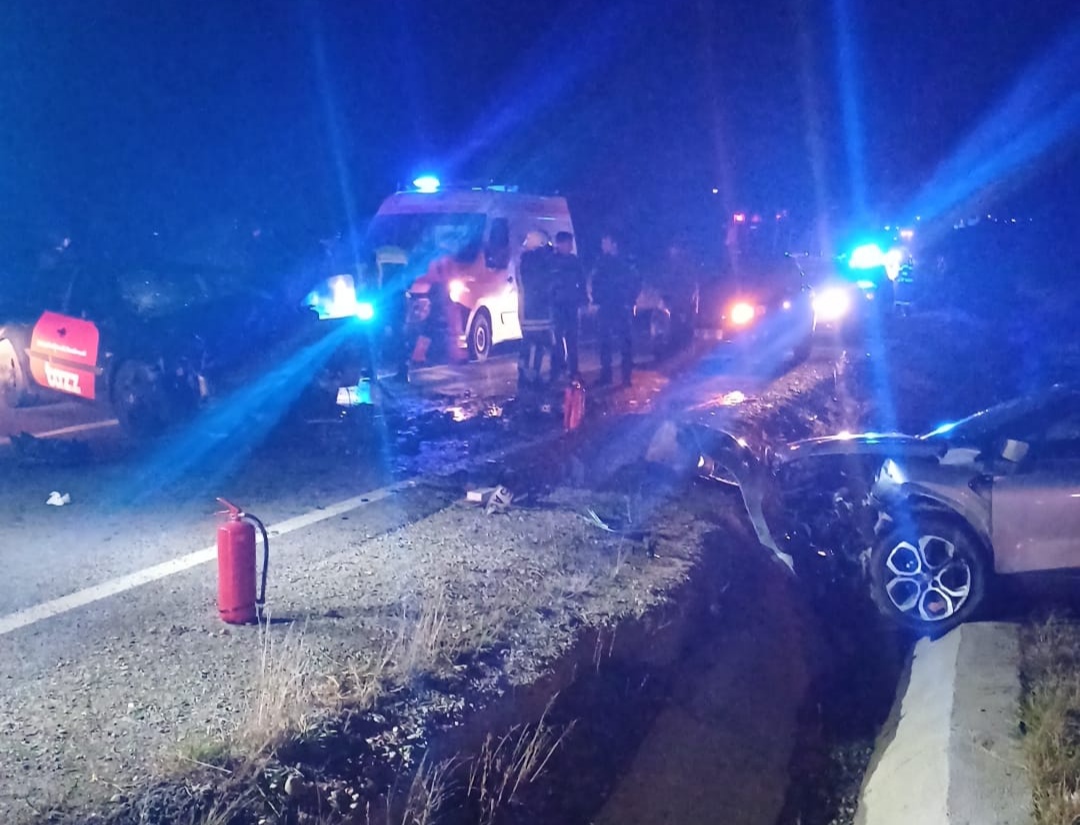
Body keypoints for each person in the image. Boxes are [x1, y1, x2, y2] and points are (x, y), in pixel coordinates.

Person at [590, 232, 640, 386]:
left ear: (613, 244)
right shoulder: (601, 262)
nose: (602, 246)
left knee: (625, 342)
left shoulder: (625, 262)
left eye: (605, 242)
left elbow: (636, 282)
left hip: (621, 305)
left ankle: (626, 377)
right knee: (605, 342)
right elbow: (596, 282)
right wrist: (597, 298)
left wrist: (630, 300)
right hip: (606, 305)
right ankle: (606, 376)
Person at [517, 230, 556, 388]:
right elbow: (544, 281)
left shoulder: (526, 260)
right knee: (536, 344)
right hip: (536, 311)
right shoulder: (535, 260)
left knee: (530, 344)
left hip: (531, 309)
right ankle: (531, 377)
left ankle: (526, 375)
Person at [550, 231, 586, 381]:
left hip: (571, 305)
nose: (571, 246)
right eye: (568, 243)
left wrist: (583, 299)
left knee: (572, 339)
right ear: (560, 244)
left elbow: (581, 281)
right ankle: (558, 369)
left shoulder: (574, 261)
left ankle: (574, 370)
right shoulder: (552, 261)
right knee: (556, 339)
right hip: (557, 306)